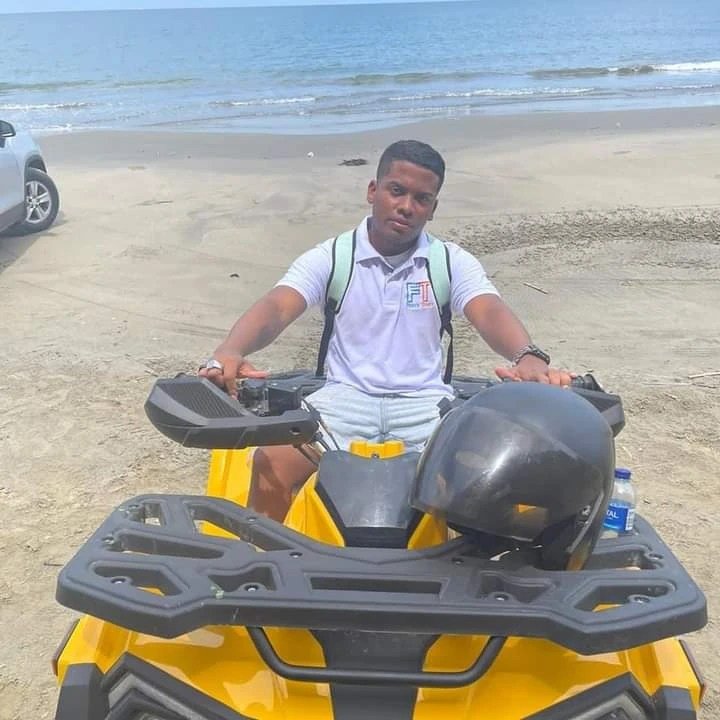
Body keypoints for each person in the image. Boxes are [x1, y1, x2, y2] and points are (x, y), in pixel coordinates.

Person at [200, 140, 573, 521]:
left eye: (422, 199)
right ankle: (268, 555)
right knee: (272, 462)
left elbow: (488, 310)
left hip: (424, 403)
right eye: (397, 191)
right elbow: (278, 306)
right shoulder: (334, 257)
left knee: (486, 473)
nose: (407, 206)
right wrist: (231, 350)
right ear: (373, 191)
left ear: (433, 208)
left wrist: (526, 356)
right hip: (343, 400)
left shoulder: (448, 261)